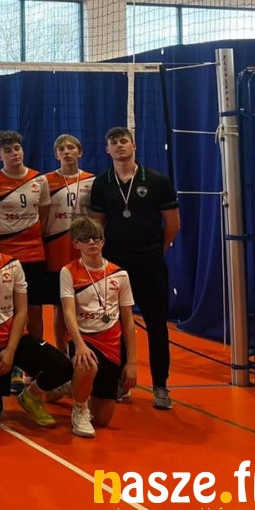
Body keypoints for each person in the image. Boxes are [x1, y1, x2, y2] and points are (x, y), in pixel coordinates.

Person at [88, 126, 180, 411]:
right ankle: (120, 383)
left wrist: (156, 250)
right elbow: (96, 225)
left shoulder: (156, 181)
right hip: (115, 267)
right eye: (114, 142)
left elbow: (173, 223)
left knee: (156, 325)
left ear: (134, 146)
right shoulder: (101, 184)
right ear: (107, 149)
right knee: (115, 325)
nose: (119, 146)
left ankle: (160, 386)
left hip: (150, 265)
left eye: (124, 141)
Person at [0, 214, 73, 428]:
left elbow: (22, 310)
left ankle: (31, 396)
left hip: (13, 340)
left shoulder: (13, 265)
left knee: (63, 366)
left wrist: (10, 351)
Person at [60, 217, 139, 438]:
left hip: (111, 345)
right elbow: (68, 312)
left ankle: (72, 385)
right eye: (85, 239)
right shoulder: (68, 271)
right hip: (84, 338)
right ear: (76, 244)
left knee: (103, 419)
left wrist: (132, 362)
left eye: (97, 238)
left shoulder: (119, 274)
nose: (92, 243)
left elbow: (128, 321)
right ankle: (79, 409)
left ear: (103, 241)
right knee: (87, 363)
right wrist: (79, 344)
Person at [0, 130, 51, 347]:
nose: (14, 154)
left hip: (34, 254)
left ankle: (36, 357)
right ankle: (11, 354)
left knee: (34, 309)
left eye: (17, 148)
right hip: (5, 256)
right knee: (6, 308)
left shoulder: (40, 180)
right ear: (0, 156)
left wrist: (33, 237)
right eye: (8, 151)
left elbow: (44, 215)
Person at [44, 134, 95, 352]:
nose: (66, 152)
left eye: (71, 147)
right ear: (56, 155)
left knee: (84, 303)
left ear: (80, 152)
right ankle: (61, 353)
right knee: (60, 305)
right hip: (56, 249)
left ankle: (83, 349)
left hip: (83, 249)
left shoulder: (92, 181)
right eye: (61, 149)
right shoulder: (46, 181)